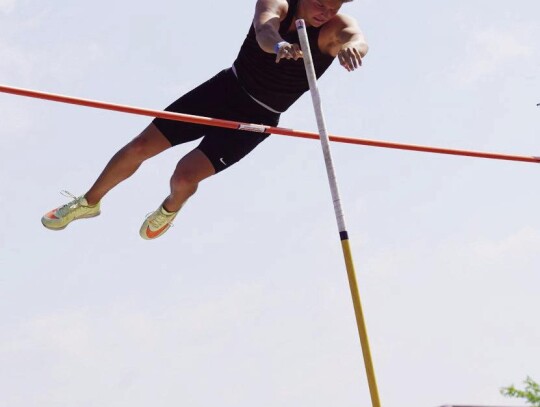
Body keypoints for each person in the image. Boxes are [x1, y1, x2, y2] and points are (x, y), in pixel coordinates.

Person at [41, 0, 368, 239]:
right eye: (320, 4)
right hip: (225, 89)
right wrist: (280, 44)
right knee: (141, 145)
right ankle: (89, 202)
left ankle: (169, 209)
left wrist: (354, 49)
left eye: (333, 7)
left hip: (259, 117)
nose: (325, 12)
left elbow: (355, 38)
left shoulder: (334, 27)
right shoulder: (278, 3)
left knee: (184, 177)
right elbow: (264, 29)